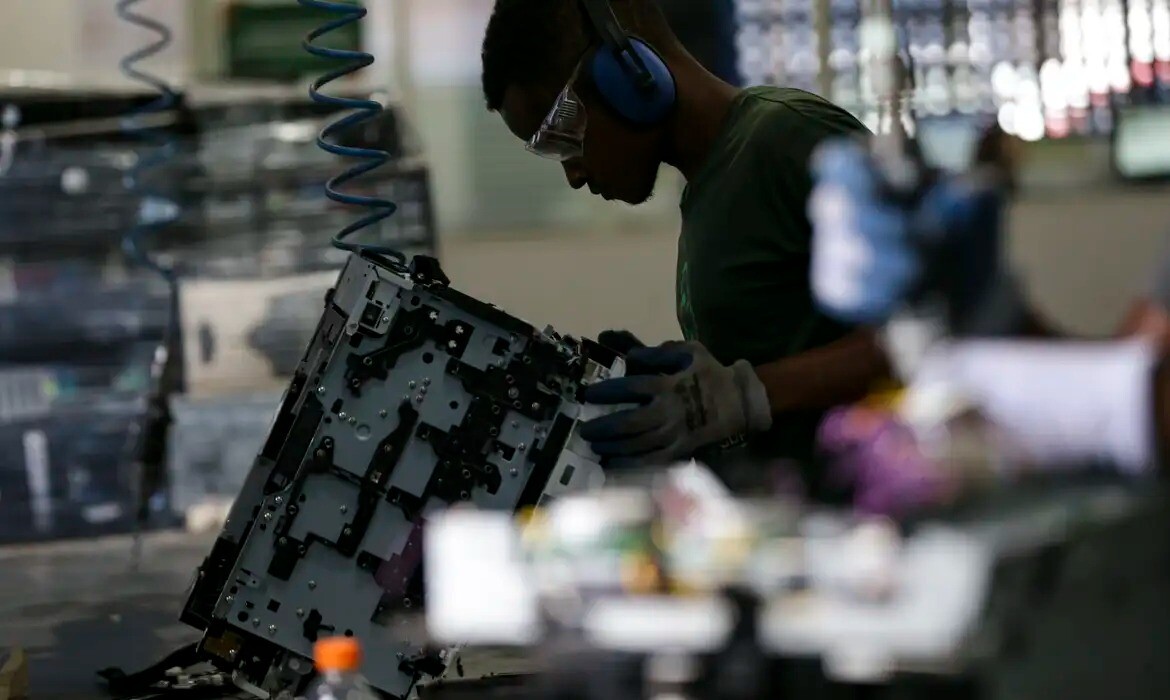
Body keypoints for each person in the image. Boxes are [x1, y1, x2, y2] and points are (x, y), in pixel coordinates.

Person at [480, 0, 888, 488]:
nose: (573, 174)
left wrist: (742, 395)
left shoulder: (788, 138)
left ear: (628, 76)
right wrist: (673, 393)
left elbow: (932, 330)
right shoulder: (708, 189)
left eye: (564, 133)